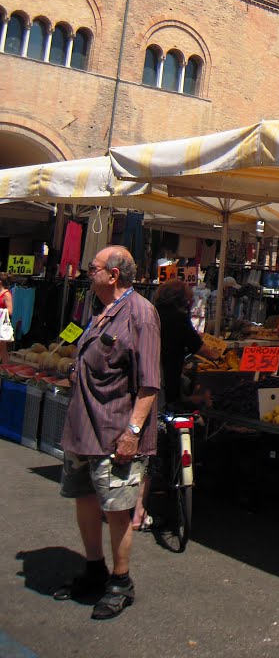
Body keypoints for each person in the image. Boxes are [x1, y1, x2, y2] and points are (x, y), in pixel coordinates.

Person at [54, 246, 160, 620]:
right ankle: (94, 568)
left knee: (117, 509)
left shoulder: (141, 314)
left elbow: (149, 384)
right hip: (83, 428)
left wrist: (133, 431)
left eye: (93, 267)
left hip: (115, 430)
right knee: (83, 496)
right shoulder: (99, 309)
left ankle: (120, 580)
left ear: (113, 275)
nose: (88, 272)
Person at [131, 277, 217, 531]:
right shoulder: (179, 319)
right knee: (152, 450)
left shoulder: (150, 315)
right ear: (184, 302)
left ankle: (130, 503)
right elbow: (203, 349)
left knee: (141, 445)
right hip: (160, 388)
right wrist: (219, 353)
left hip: (140, 384)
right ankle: (138, 512)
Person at [0, 271, 13, 362]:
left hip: (1, 324)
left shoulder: (7, 294)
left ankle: (5, 369)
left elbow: (10, 310)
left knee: (2, 348)